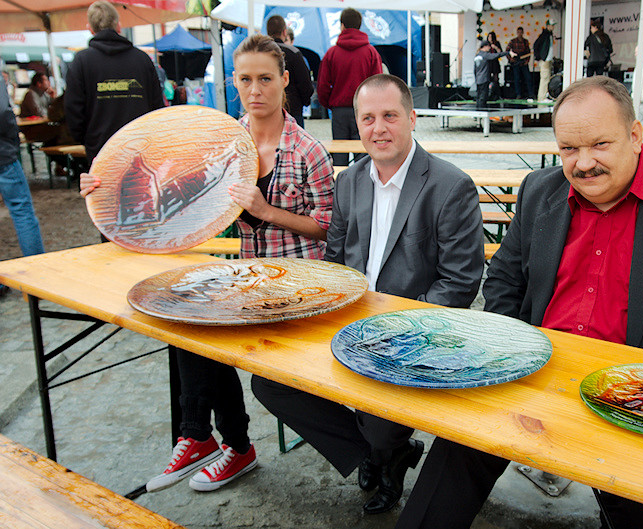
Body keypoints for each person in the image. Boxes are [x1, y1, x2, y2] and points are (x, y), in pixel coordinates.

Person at [394, 76, 643, 529]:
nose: (583, 163)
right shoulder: (539, 190)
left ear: (635, 135)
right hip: (534, 376)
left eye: (600, 144)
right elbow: (506, 277)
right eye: (568, 148)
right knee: (453, 458)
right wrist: (511, 354)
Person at [79, 34, 335, 493]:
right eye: (245, 79)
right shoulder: (222, 140)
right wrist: (107, 189)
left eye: (265, 79)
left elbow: (328, 229)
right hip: (251, 278)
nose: (255, 90)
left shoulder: (307, 151)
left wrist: (267, 212)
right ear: (234, 82)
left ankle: (224, 443)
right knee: (183, 316)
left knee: (198, 326)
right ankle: (205, 438)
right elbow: (169, 190)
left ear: (285, 80)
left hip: (298, 286)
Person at [251, 74, 484, 516]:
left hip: (412, 333)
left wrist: (396, 334)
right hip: (350, 321)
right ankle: (379, 454)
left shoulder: (450, 186)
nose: (379, 129)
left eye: (390, 116)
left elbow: (459, 283)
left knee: (378, 416)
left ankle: (382, 446)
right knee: (269, 382)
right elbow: (336, 263)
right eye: (368, 118)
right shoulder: (350, 181)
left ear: (412, 118)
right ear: (356, 123)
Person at [64, 0, 163, 164]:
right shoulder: (142, 59)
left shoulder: (82, 61)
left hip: (101, 150)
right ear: (118, 26)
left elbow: (73, 109)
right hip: (141, 148)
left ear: (90, 28)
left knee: (104, 183)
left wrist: (87, 139)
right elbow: (157, 107)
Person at [317, 8, 383, 166]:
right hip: (364, 110)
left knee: (339, 157)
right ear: (360, 25)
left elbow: (323, 85)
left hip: (339, 110)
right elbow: (378, 84)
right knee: (364, 156)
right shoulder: (371, 52)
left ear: (342, 25)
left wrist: (330, 104)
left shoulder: (332, 53)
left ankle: (340, 182)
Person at [0, 74, 45, 283]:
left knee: (22, 211)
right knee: (22, 211)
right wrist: (12, 144)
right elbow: (3, 112)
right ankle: (37, 272)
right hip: (3, 154)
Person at [266, 14, 314, 128]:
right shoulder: (293, 53)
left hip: (267, 109)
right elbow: (305, 83)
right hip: (293, 109)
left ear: (268, 32)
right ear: (284, 32)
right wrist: (304, 102)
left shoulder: (261, 54)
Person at [474, 40, 513, 109]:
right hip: (484, 79)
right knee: (483, 97)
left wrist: (476, 78)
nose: (489, 48)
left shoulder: (477, 56)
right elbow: (496, 55)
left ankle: (478, 111)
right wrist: (508, 53)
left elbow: (475, 70)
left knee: (479, 96)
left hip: (478, 79)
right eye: (489, 46)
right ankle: (481, 111)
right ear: (485, 46)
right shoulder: (485, 55)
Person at [506, 27, 533, 99]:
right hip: (516, 62)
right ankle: (518, 94)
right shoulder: (513, 41)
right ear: (517, 33)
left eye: (521, 32)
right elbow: (507, 51)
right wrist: (510, 59)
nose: (519, 34)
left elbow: (528, 52)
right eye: (518, 32)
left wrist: (527, 61)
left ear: (523, 33)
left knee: (528, 78)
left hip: (523, 62)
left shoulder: (525, 41)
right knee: (517, 79)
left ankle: (530, 93)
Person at [534, 19, 557, 102]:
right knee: (544, 78)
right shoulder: (544, 35)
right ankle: (542, 97)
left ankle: (544, 96)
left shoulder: (549, 35)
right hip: (545, 60)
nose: (553, 27)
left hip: (548, 59)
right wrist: (539, 57)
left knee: (547, 78)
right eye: (552, 25)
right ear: (548, 26)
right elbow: (536, 45)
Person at [486, 32, 503, 100]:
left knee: (496, 79)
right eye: (489, 37)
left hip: (495, 63)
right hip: (488, 63)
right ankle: (489, 94)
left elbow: (500, 52)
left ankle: (497, 94)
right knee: (488, 78)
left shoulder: (497, 43)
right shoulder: (486, 44)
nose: (490, 39)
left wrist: (495, 47)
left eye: (491, 37)